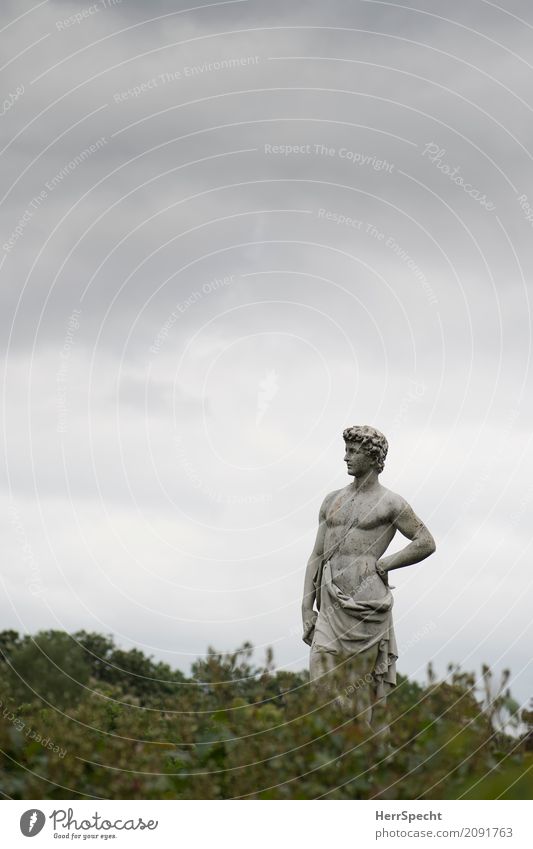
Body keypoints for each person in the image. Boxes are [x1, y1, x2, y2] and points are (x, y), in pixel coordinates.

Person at [301, 425, 436, 728]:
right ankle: (325, 759)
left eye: (352, 451)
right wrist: (305, 609)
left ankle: (356, 765)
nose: (345, 457)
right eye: (346, 450)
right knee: (320, 679)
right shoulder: (331, 500)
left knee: (358, 692)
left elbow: (426, 541)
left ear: (372, 456)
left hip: (367, 607)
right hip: (330, 605)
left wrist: (386, 563)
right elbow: (316, 556)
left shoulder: (391, 502)